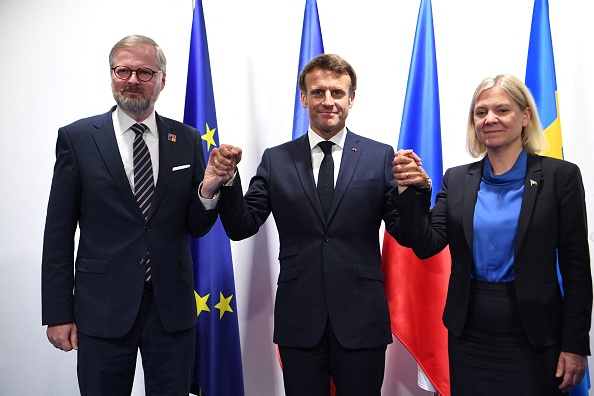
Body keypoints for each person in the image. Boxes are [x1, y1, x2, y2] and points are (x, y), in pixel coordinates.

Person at [201, 54, 428, 396]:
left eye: (337, 92)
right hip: (299, 319)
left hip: (361, 319)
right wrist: (227, 180)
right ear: (304, 98)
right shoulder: (276, 160)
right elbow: (242, 226)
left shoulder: (378, 155)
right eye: (318, 92)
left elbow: (406, 234)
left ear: (351, 98)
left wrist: (415, 192)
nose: (328, 101)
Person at [41, 35, 221, 395]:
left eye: (144, 71)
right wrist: (59, 313)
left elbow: (196, 226)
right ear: (112, 75)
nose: (133, 79)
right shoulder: (78, 139)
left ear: (162, 80)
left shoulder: (185, 139)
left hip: (170, 308)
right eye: (123, 70)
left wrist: (207, 191)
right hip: (101, 307)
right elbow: (58, 233)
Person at [392, 74, 592, 395]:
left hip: (536, 336)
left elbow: (577, 268)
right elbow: (427, 244)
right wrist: (411, 192)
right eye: (481, 112)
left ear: (525, 116)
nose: (490, 119)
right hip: (469, 334)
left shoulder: (560, 177)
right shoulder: (457, 179)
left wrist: (575, 344)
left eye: (502, 110)